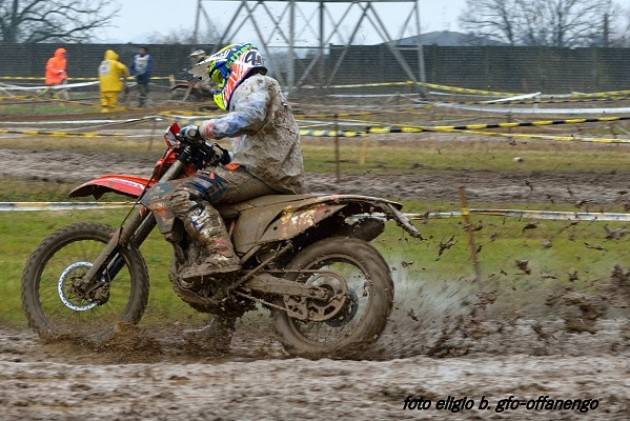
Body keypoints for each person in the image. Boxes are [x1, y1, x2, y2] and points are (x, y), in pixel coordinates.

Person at [144, 43, 304, 346]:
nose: (219, 85)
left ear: (236, 67)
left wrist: (201, 129)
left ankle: (220, 255)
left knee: (181, 194)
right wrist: (215, 154)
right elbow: (249, 137)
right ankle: (221, 327)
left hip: (263, 172)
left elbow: (250, 116)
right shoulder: (262, 90)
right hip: (267, 170)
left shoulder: (256, 83)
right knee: (227, 226)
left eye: (220, 76)